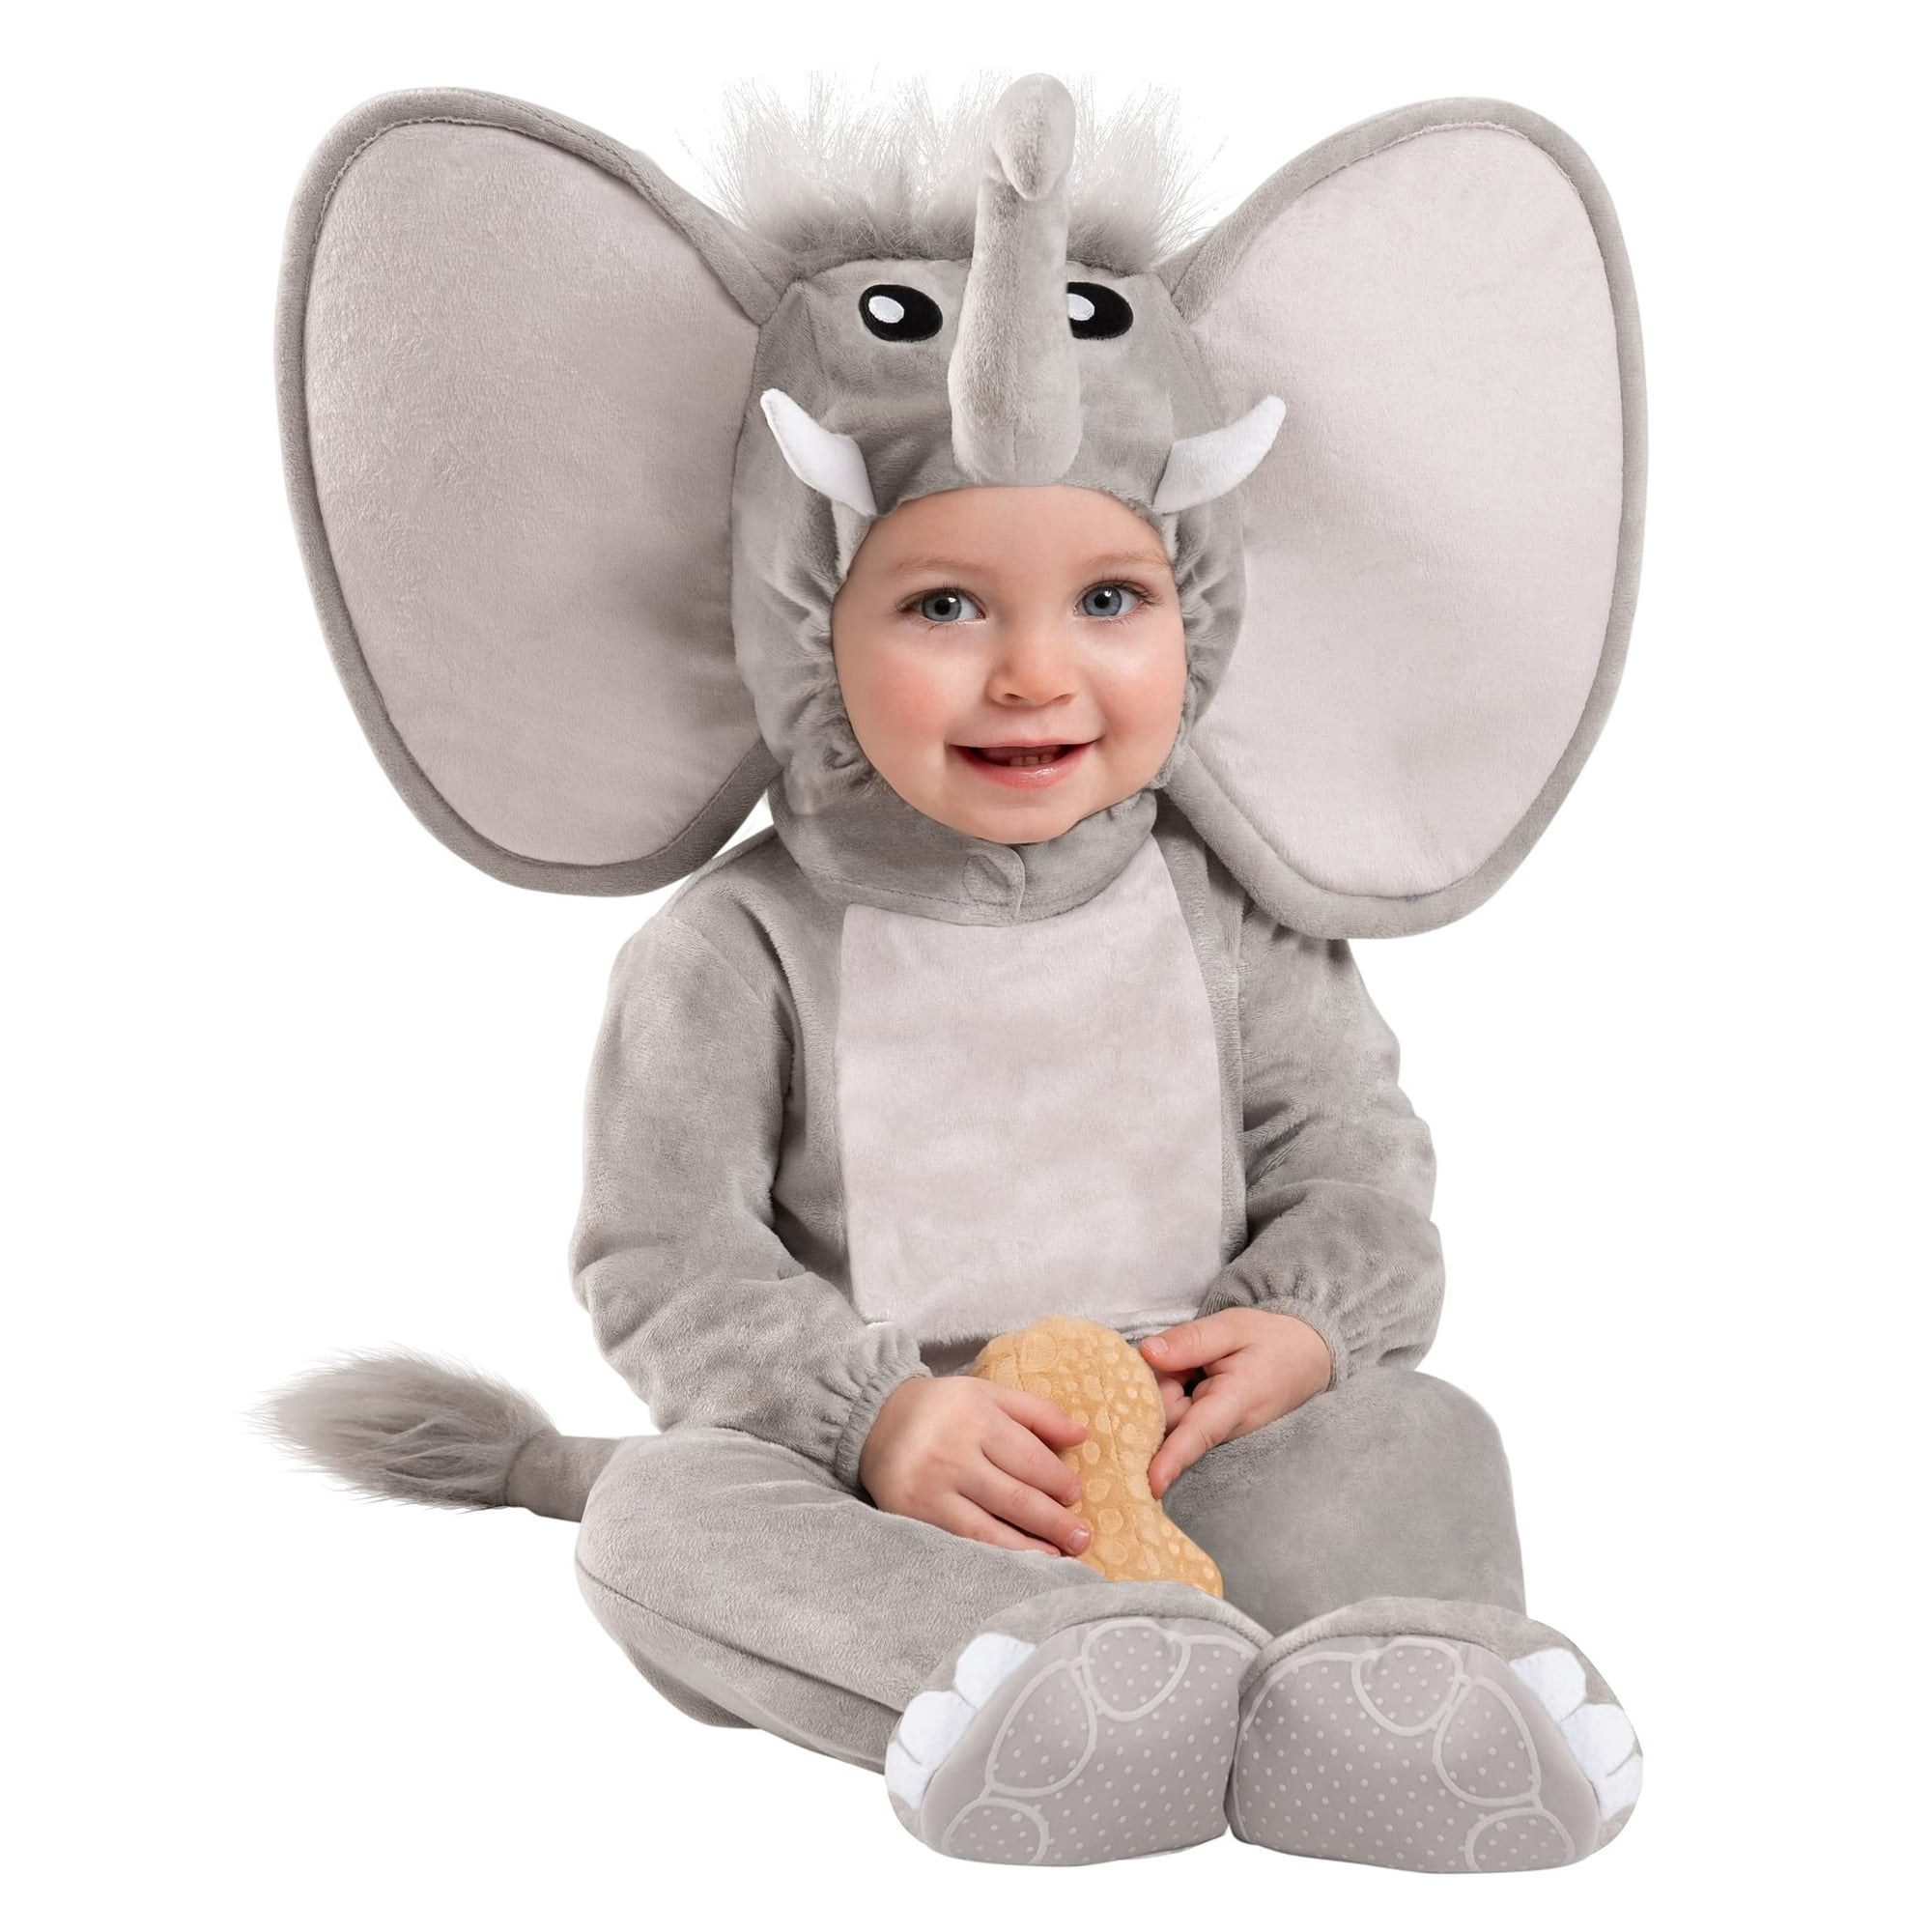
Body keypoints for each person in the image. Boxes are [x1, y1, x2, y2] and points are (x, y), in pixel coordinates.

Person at [264, 71, 1646, 1872]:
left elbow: (1360, 1175)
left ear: (1202, 596)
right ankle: (1042, 1684)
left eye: (1110, 598)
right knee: (661, 1519)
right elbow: (667, 1260)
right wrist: (877, 1419)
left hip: (1190, 1453)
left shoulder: (1238, 925)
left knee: (1425, 1432)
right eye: (941, 605)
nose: (1035, 676)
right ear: (796, 611)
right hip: (879, 1487)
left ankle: (1393, 1697)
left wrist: (1304, 1331)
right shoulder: (735, 949)